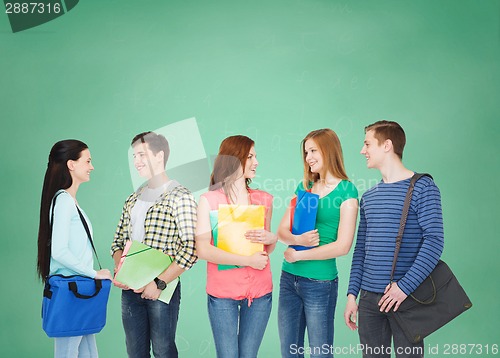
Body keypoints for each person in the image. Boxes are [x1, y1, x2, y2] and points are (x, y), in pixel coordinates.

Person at [344, 120, 444, 358]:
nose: (362, 150)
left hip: (405, 298)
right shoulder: (368, 197)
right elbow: (361, 251)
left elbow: (434, 241)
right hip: (368, 300)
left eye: (367, 144)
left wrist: (404, 288)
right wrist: (352, 295)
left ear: (387, 145)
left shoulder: (423, 187)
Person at [111, 131, 197, 358]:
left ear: (159, 156)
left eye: (142, 155)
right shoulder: (133, 198)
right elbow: (117, 242)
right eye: (134, 157)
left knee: (163, 350)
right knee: (135, 352)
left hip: (161, 289)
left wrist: (158, 283)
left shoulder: (180, 196)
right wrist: (122, 273)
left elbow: (191, 248)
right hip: (130, 291)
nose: (137, 162)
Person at [277, 129, 359, 358]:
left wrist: (299, 254)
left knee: (320, 353)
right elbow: (282, 230)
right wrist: (297, 240)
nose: (308, 157)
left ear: (329, 150)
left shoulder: (347, 191)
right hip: (288, 280)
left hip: (320, 283)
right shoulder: (304, 188)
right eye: (306, 152)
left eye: (313, 150)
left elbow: (343, 246)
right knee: (289, 352)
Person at [195, 135, 277, 358]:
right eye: (250, 157)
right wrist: (247, 261)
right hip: (223, 293)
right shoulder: (209, 200)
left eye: (255, 156)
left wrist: (272, 239)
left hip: (260, 291)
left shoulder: (264, 200)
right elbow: (202, 249)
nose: (256, 162)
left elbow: (265, 249)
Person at [37, 140, 112, 358]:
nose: (91, 166)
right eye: (87, 161)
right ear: (71, 164)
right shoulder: (64, 201)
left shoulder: (70, 201)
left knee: (89, 354)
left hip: (78, 292)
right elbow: (59, 251)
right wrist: (94, 273)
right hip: (72, 291)